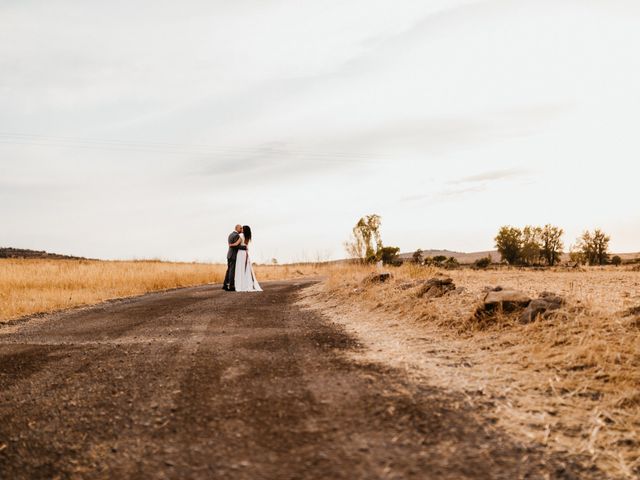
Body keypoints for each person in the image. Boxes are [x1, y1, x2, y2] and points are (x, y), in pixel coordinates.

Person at [228, 225, 262, 292]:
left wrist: (231, 244)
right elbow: (245, 246)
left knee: (240, 268)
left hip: (240, 253)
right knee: (245, 268)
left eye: (242, 228)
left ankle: (240, 284)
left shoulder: (241, 236)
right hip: (246, 253)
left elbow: (236, 244)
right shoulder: (248, 237)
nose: (241, 229)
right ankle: (246, 283)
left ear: (244, 230)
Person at [222, 224, 243, 291]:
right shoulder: (237, 235)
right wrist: (244, 247)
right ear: (236, 228)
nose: (241, 229)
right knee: (231, 271)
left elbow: (231, 245)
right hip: (233, 255)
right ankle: (231, 286)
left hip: (229, 255)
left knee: (228, 270)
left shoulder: (230, 234)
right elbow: (236, 246)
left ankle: (225, 285)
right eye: (240, 228)